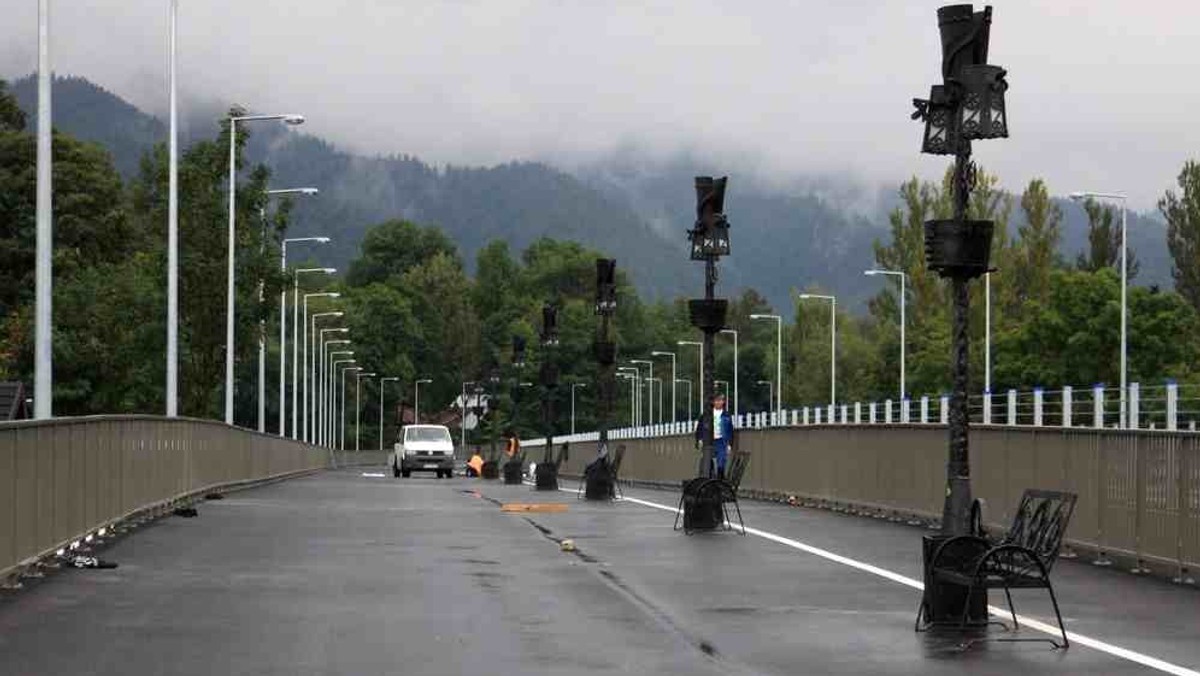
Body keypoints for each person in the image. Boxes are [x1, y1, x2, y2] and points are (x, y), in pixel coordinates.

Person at [694, 393, 735, 478]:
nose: (719, 402)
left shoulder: (726, 415)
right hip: (709, 440)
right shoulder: (706, 414)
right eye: (717, 400)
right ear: (713, 402)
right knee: (707, 461)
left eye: (721, 400)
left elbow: (730, 430)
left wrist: (730, 444)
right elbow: (700, 428)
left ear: (723, 402)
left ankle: (720, 479)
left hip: (721, 441)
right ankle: (709, 477)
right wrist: (699, 439)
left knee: (721, 461)